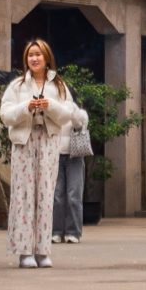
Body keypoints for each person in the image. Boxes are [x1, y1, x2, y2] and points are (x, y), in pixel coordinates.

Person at [0, 39, 85, 268]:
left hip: (48, 142)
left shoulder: (59, 86)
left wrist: (50, 106)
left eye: (38, 54)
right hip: (24, 143)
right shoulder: (17, 86)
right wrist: (26, 107)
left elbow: (68, 114)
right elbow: (5, 115)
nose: (34, 58)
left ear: (47, 58)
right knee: (24, 195)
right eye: (30, 55)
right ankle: (25, 251)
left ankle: (43, 250)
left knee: (46, 196)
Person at [53, 97, 95, 245]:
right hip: (56, 156)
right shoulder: (53, 109)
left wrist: (72, 111)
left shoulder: (80, 113)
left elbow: (79, 126)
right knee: (57, 196)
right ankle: (56, 232)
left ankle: (73, 232)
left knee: (74, 195)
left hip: (75, 157)